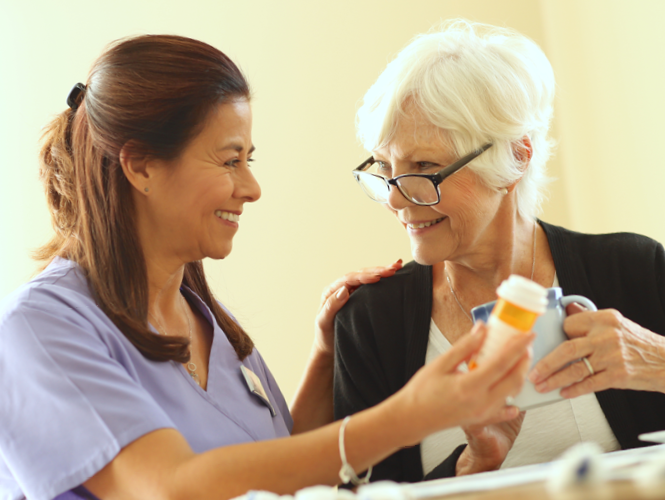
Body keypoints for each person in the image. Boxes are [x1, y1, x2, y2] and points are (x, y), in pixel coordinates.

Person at [0, 35, 535, 500]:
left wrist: (324, 357)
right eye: (230, 160)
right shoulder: (41, 330)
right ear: (141, 165)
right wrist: (409, 416)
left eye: (248, 161)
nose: (251, 188)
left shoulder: (209, 323)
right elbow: (175, 487)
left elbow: (282, 471)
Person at [333, 19, 665, 483]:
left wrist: (657, 361)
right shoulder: (371, 321)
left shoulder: (634, 269)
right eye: (385, 168)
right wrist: (475, 464)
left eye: (424, 166)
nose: (393, 197)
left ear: (517, 156)